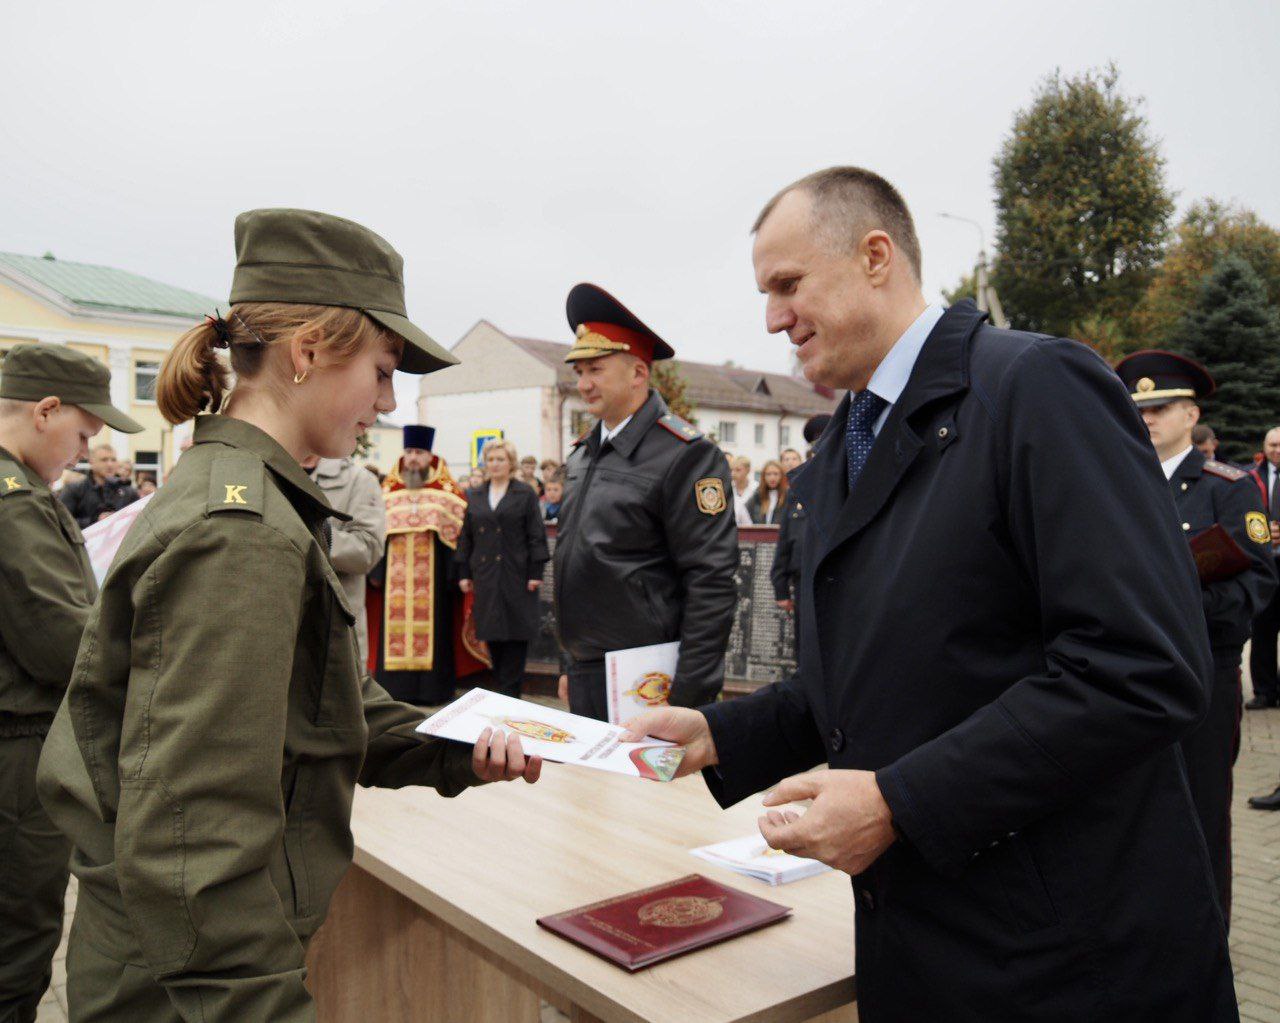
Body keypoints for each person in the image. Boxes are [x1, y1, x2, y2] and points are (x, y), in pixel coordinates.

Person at [625, 167, 1235, 1021]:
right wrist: (720, 733)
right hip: (927, 947)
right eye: (765, 293)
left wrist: (899, 803)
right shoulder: (842, 448)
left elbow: (1141, 665)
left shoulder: (1034, 386)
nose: (772, 317)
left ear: (876, 256)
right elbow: (873, 674)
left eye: (788, 284)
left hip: (1068, 958)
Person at [36, 208, 540, 1023]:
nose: (385, 402)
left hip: (167, 967)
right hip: (183, 987)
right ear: (307, 353)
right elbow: (195, 834)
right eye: (381, 370)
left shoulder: (247, 495)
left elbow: (315, 709)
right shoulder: (240, 532)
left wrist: (455, 744)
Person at [0, 343, 141, 1023]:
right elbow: (61, 640)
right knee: (17, 945)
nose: (86, 452)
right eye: (83, 434)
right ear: (45, 410)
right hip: (17, 749)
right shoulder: (15, 503)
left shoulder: (23, 491)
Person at [1115, 349, 1275, 921]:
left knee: (1201, 816)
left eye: (1160, 408)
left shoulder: (1228, 488)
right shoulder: (1114, 483)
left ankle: (1206, 946)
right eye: (1139, 410)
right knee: (1129, 815)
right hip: (1120, 678)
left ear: (1191, 414)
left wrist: (1174, 604)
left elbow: (1257, 584)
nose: (1147, 418)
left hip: (1199, 675)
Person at [553, 283, 737, 720]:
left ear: (637, 373)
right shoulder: (583, 453)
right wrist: (568, 661)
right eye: (579, 372)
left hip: (650, 676)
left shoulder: (685, 454)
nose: (583, 384)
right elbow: (575, 564)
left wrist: (690, 694)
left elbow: (711, 579)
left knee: (643, 770)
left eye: (595, 369)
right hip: (586, 668)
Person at [366, 425, 489, 705]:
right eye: (409, 452)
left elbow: (459, 539)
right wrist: (376, 572)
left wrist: (453, 578)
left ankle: (433, 691)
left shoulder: (447, 492)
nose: (412, 458)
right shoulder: (388, 492)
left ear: (430, 456)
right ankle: (395, 691)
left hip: (434, 586)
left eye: (418, 453)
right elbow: (377, 535)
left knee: (436, 633)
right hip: (393, 587)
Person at [457, 439, 549, 697]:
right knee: (492, 634)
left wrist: (535, 573)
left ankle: (512, 696)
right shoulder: (475, 494)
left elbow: (536, 534)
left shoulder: (525, 493)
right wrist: (464, 573)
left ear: (511, 463)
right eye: (491, 459)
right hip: (486, 575)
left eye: (500, 459)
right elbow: (466, 536)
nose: (495, 464)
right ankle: (501, 692)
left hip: (517, 574)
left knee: (515, 636)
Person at [304, 452, 387, 668]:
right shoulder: (266, 469)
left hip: (333, 633)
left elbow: (369, 550)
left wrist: (322, 535)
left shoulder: (359, 480)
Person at [771, 415, 829, 615]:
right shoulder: (798, 488)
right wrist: (780, 587)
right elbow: (786, 540)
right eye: (815, 450)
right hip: (803, 580)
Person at [1248, 425, 1280, 709]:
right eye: (1272, 445)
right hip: (1265, 565)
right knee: (1263, 631)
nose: (1277, 450)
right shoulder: (1250, 477)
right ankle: (1264, 691)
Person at [59, 442, 139, 526]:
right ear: (91, 462)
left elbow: (138, 521)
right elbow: (62, 523)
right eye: (104, 460)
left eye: (113, 460)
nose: (110, 464)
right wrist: (95, 521)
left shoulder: (128, 492)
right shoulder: (74, 489)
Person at [747, 459, 787, 524]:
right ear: (763, 476)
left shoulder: (787, 496)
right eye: (768, 474)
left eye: (776, 474)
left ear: (781, 476)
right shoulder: (757, 495)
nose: (772, 478)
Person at [729, 455, 754, 525]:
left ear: (748, 470)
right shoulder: (727, 489)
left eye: (738, 470)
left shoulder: (756, 489)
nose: (733, 473)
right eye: (731, 470)